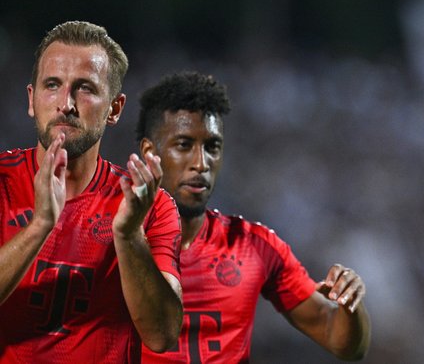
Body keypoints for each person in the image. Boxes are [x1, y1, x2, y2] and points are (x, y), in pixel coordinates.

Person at [135, 71, 371, 363]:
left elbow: (341, 341)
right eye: (184, 145)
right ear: (150, 152)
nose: (201, 163)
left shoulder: (252, 245)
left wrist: (350, 304)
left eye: (212, 147)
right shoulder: (108, 244)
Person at [0, 21, 183, 362]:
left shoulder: (149, 205)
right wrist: (40, 224)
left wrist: (129, 237)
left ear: (114, 108)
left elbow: (162, 336)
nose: (65, 103)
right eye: (52, 85)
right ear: (32, 99)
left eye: (84, 88)